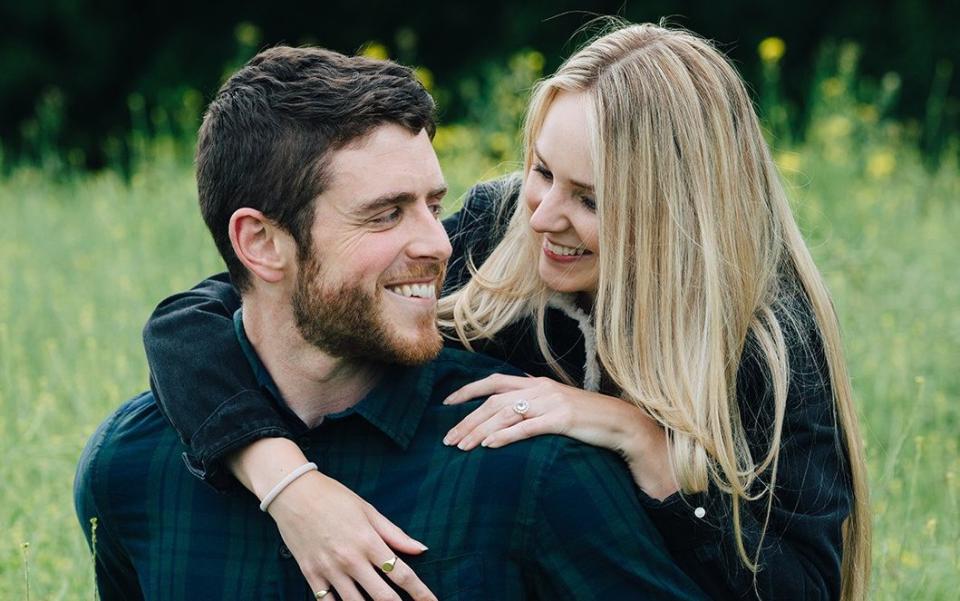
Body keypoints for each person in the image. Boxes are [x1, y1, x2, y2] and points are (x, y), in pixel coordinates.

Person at [141, 21, 871, 601]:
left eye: (590, 198)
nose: (546, 215)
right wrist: (288, 484)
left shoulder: (766, 335)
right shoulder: (500, 233)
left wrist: (654, 450)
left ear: (677, 215)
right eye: (542, 171)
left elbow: (803, 586)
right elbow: (199, 318)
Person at [74, 44, 707, 601]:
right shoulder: (130, 470)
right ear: (261, 244)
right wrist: (287, 483)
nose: (440, 245)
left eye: (435, 205)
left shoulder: (534, 467)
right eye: (386, 214)